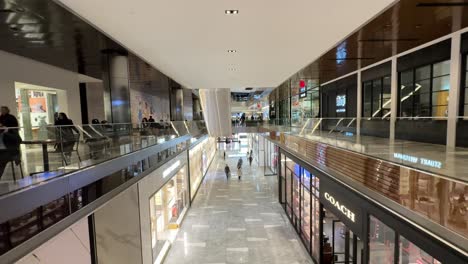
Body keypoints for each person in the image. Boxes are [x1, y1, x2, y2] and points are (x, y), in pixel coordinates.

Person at [0, 106, 21, 179]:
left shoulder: (11, 118)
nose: (1, 111)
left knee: (1, 161)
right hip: (3, 151)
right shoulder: (1, 118)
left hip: (7, 151)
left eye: (3, 110)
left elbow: (18, 139)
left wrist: (7, 131)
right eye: (1, 110)